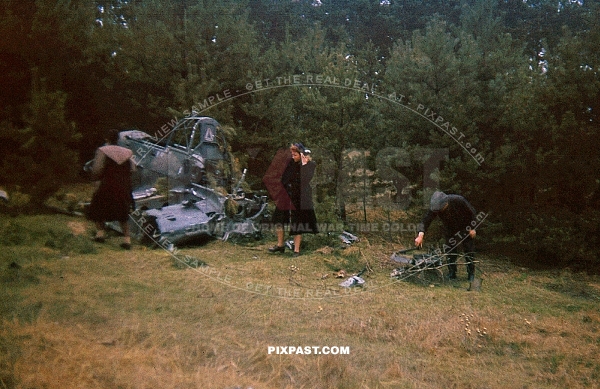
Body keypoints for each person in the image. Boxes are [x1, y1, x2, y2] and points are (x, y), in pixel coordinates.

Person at [264, 143, 318, 257]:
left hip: (300, 198)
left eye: (295, 154)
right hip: (286, 195)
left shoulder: (310, 165)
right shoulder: (290, 164)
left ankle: (296, 250)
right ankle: (280, 245)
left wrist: (304, 165)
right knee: (279, 219)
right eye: (292, 154)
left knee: (297, 222)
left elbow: (305, 180)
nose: (293, 156)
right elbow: (283, 178)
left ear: (301, 154)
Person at [87, 129, 136, 250]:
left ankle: (100, 234)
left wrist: (95, 179)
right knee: (122, 212)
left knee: (98, 207)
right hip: (123, 185)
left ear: (106, 139)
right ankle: (127, 240)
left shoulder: (103, 151)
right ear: (118, 139)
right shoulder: (127, 152)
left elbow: (97, 169)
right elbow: (133, 169)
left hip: (107, 184)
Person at [414, 191, 477, 281]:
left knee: (468, 249)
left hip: (465, 227)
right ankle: (452, 273)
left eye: (441, 209)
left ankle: (471, 274)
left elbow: (472, 213)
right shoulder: (436, 206)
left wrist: (472, 228)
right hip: (450, 228)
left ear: (446, 203)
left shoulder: (458, 200)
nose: (439, 211)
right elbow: (426, 220)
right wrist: (420, 235)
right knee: (450, 249)